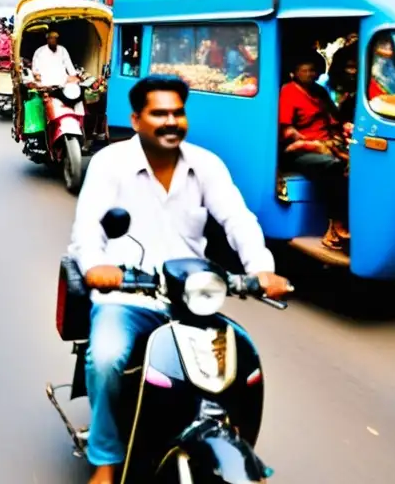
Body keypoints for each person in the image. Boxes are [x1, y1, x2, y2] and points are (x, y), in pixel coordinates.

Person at [69, 75, 290, 484]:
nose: (171, 121)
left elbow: (237, 219)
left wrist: (261, 267)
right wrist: (98, 267)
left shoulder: (206, 164)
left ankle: (229, 440)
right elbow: (88, 230)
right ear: (136, 119)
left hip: (192, 299)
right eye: (159, 113)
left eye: (177, 112)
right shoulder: (109, 163)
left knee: (243, 363)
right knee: (106, 357)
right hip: (128, 296)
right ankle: (105, 459)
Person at [279, 53, 349, 252]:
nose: (311, 74)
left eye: (313, 70)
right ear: (295, 72)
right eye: (305, 70)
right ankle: (335, 225)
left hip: (327, 144)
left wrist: (335, 141)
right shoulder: (288, 91)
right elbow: (288, 131)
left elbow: (335, 119)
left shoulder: (319, 91)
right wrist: (316, 144)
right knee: (332, 167)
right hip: (299, 150)